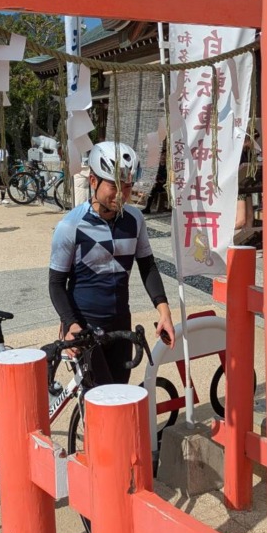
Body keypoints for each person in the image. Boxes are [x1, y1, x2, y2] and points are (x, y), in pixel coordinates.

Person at [49, 141, 175, 387]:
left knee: (120, 392)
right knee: (101, 398)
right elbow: (56, 283)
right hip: (83, 325)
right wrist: (70, 323)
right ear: (93, 181)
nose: (122, 194)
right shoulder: (70, 225)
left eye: (127, 186)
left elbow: (147, 266)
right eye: (114, 186)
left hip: (120, 322)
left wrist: (164, 312)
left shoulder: (135, 219)